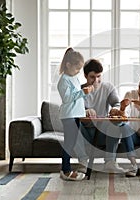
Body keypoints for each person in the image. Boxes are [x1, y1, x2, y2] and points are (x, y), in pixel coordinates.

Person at [80, 58, 125, 173]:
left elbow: (116, 103)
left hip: (102, 132)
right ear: (85, 75)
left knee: (118, 122)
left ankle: (110, 162)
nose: (96, 80)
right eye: (92, 77)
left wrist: (115, 109)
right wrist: (85, 111)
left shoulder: (108, 87)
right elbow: (73, 109)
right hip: (86, 132)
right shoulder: (79, 90)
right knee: (73, 124)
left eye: (99, 76)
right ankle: (83, 163)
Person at [57, 47, 94, 181]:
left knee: (71, 143)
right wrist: (82, 92)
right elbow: (67, 98)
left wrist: (85, 93)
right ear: (68, 65)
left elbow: (77, 97)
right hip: (68, 116)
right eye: (77, 68)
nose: (78, 72)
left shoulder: (74, 79)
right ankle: (65, 170)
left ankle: (66, 168)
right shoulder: (64, 80)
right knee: (68, 143)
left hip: (76, 114)